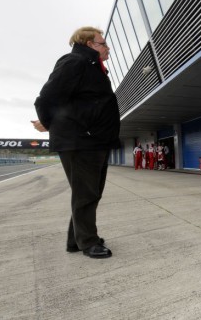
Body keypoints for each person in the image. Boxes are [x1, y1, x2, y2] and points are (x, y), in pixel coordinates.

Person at [32, 26, 119, 259]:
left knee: (89, 193)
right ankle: (88, 242)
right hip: (80, 142)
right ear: (90, 44)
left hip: (94, 141)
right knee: (86, 194)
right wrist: (49, 123)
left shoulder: (93, 68)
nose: (107, 47)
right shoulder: (75, 62)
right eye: (103, 43)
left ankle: (76, 240)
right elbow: (46, 99)